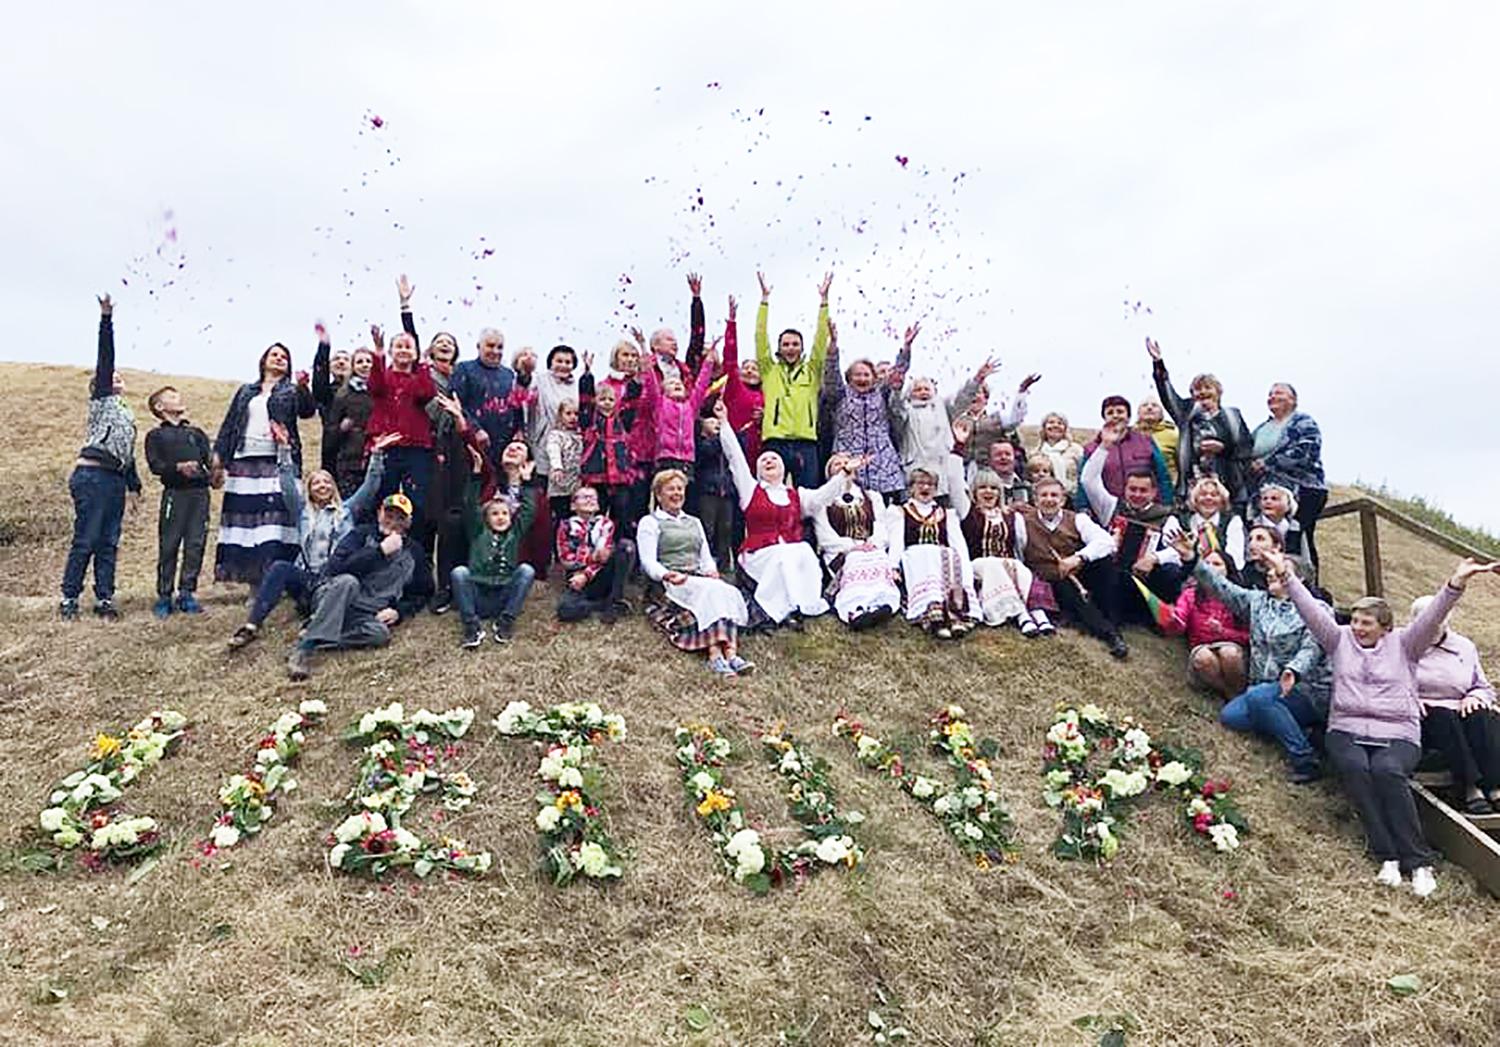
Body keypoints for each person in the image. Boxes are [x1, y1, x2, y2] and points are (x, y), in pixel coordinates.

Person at [1271, 550, 1500, 897]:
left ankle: (1419, 862)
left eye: (1367, 623)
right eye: (1356, 621)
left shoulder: (1407, 645)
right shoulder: (1338, 640)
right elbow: (1311, 610)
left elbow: (1434, 614)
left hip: (1397, 732)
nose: (1358, 628)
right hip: (1347, 729)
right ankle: (1388, 855)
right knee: (1358, 770)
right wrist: (1287, 576)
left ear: (1386, 627)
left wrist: (1456, 583)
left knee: (1388, 772)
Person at [1172, 532, 1330, 783]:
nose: (1269, 573)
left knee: (1258, 699)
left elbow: (1313, 648)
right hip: (1264, 688)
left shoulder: (1317, 609)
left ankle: (1305, 759)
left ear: (1298, 579)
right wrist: (1193, 559)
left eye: (1278, 570)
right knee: (1231, 716)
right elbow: (1223, 588)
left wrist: (1294, 670)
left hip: (1304, 689)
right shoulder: (1257, 601)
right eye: (1269, 569)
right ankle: (1293, 726)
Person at [228, 429, 396, 649]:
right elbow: (287, 484)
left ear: (334, 486)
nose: (322, 485)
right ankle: (251, 626)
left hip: (336, 581)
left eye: (326, 481)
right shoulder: (302, 512)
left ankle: (315, 626)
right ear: (309, 491)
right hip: (308, 581)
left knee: (344, 585)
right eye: (316, 483)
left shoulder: (347, 510)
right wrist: (284, 449)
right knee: (280, 567)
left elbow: (371, 486)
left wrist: (376, 454)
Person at [715, 399, 838, 627]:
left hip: (789, 552)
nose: (769, 460)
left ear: (783, 468)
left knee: (803, 551)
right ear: (759, 469)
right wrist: (724, 422)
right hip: (759, 555)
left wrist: (843, 476)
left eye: (774, 459)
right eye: (764, 460)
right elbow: (735, 457)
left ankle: (806, 604)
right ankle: (783, 609)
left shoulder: (796, 495)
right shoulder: (750, 489)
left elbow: (823, 496)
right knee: (784, 556)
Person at [61, 295, 143, 621]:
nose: (117, 376)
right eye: (112, 375)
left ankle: (104, 599)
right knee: (87, 538)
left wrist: (134, 488)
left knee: (109, 540)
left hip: (114, 479)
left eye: (120, 375)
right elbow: (105, 357)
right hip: (92, 476)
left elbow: (128, 452)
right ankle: (69, 597)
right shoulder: (102, 401)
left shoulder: (126, 412)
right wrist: (106, 318)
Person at [212, 338, 316, 586]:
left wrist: (303, 387)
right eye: (274, 355)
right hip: (244, 462)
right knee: (246, 525)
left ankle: (277, 580)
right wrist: (218, 457)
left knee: (275, 524)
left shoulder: (290, 391)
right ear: (263, 361)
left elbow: (307, 411)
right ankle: (253, 583)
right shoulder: (246, 390)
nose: (279, 358)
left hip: (277, 460)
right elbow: (230, 425)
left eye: (284, 356)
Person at [286, 492, 419, 681]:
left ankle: (316, 636)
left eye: (400, 518)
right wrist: (379, 551)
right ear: (379, 512)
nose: (393, 522)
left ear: (408, 523)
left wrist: (399, 612)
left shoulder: (414, 551)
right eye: (389, 515)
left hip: (365, 613)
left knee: (380, 634)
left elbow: (422, 593)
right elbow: (335, 568)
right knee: (348, 581)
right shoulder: (361, 534)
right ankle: (303, 650)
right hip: (334, 596)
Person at [636, 468, 753, 678]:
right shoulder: (650, 522)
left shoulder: (694, 522)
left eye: (680, 489)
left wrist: (711, 572)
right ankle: (716, 655)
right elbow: (648, 562)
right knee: (709, 595)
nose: (676, 493)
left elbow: (705, 556)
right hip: (669, 583)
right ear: (659, 494)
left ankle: (732, 655)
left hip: (696, 578)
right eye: (670, 489)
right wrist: (666, 575)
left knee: (722, 591)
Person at [1080, 424, 1188, 621]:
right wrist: (1104, 446)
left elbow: (1177, 551)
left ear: (1154, 492)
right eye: (1133, 489)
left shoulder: (1166, 517)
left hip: (1147, 578)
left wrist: (1154, 558)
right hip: (1115, 577)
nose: (1137, 495)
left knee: (1171, 572)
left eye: (1143, 490)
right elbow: (1088, 481)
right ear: (1125, 489)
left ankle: (1156, 618)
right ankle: (1112, 620)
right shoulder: (1110, 506)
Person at [1014, 478, 1128, 658]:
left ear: (1063, 499)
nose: (1049, 499)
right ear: (1035, 500)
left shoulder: (1077, 519)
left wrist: (1078, 558)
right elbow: (1018, 555)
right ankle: (1109, 634)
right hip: (1049, 580)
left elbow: (1106, 542)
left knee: (1105, 564)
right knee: (1065, 588)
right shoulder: (1022, 522)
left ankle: (1112, 619)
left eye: (1054, 495)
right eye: (1044, 495)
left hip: (1077, 572)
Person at [1411, 593, 1500, 815]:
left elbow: (1484, 687)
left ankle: (1494, 786)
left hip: (1460, 707)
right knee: (1443, 717)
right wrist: (1409, 699)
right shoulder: (1405, 645)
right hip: (1422, 715)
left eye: (1438, 619)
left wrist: (1475, 696)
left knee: (1481, 715)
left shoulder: (1464, 647)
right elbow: (1389, 683)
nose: (1432, 625)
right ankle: (1471, 788)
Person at [1147, 338, 1252, 509]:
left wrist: (1223, 448)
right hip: (1193, 484)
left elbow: (1246, 447)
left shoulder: (1233, 416)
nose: (1202, 392)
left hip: (1228, 484)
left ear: (1218, 392)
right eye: (1198, 389)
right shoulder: (1185, 412)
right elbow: (1167, 394)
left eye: (1207, 387)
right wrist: (1158, 362)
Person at [949, 461, 1050, 635]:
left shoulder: (1011, 516)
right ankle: (1021, 615)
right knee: (992, 564)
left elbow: (1020, 546)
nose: (989, 492)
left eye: (994, 488)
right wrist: (957, 450)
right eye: (983, 488)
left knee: (1018, 568)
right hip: (978, 565)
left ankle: (1039, 616)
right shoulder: (969, 512)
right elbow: (954, 482)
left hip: (1007, 563)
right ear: (974, 492)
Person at [366, 275, 438, 518]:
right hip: (387, 444)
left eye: (409, 346)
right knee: (382, 495)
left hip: (416, 447)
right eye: (398, 346)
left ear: (416, 353)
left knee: (416, 500)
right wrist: (377, 353)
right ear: (390, 351)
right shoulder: (383, 376)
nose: (404, 350)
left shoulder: (418, 377)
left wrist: (425, 366)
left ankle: (415, 550)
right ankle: (380, 543)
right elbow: (374, 387)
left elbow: (426, 394)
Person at [451, 450, 539, 647]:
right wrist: (475, 474)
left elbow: (529, 510)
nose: (500, 517)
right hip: (478, 595)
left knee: (526, 570)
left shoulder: (515, 532)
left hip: (504, 594)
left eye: (505, 514)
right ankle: (472, 627)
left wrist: (527, 482)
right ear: (486, 518)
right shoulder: (477, 531)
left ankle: (506, 622)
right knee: (459, 572)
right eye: (495, 514)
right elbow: (469, 504)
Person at [755, 270, 833, 489]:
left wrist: (824, 302)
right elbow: (760, 338)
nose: (790, 348)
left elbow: (821, 339)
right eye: (786, 344)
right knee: (770, 494)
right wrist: (764, 301)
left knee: (807, 497)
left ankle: (806, 526)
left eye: (795, 344)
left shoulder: (812, 370)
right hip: (775, 441)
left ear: (801, 347)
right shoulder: (769, 370)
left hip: (805, 443)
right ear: (779, 348)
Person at [143, 385, 213, 618]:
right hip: (175, 494)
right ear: (160, 408)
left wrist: (215, 473)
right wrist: (178, 468)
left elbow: (210, 462)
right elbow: (156, 466)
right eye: (172, 397)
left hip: (200, 495)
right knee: (169, 544)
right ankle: (164, 595)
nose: (179, 398)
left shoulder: (196, 433)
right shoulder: (155, 436)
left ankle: (187, 593)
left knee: (195, 544)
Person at [887, 465, 979, 640]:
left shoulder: (946, 514)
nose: (925, 488)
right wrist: (893, 566)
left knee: (948, 554)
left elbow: (958, 544)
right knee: (926, 554)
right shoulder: (901, 512)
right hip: (915, 557)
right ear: (911, 488)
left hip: (942, 557)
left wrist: (967, 569)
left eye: (931, 484)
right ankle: (931, 610)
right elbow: (897, 542)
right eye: (920, 483)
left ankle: (955, 612)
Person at [811, 452, 901, 629]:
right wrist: (853, 547)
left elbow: (881, 526)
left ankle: (880, 604)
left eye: (847, 462)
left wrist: (873, 543)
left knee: (879, 560)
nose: (844, 466)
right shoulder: (822, 502)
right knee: (855, 561)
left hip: (871, 547)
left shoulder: (872, 497)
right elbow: (825, 537)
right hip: (840, 552)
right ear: (829, 473)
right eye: (837, 464)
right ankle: (854, 610)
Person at [824, 319, 910, 503]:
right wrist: (833, 345)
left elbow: (897, 374)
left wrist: (906, 348)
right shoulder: (840, 394)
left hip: (882, 462)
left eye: (866, 374)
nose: (862, 378)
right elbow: (831, 374)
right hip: (849, 459)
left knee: (887, 510)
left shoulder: (881, 393)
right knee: (851, 507)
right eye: (857, 374)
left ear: (874, 377)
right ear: (849, 377)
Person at [1249, 382, 1328, 570]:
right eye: (1270, 394)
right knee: (1269, 535)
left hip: (1304, 490)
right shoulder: (1262, 428)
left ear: (1293, 400)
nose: (1273, 396)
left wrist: (1267, 464)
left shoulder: (1303, 422)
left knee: (1298, 535)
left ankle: (1307, 583)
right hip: (1268, 490)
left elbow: (1307, 451)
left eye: (1279, 393)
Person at [1160, 549, 1250, 700]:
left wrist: (1223, 632)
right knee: (1204, 658)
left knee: (1229, 653)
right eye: (1206, 563)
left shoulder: (1240, 598)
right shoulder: (1190, 594)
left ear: (1228, 571)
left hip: (1232, 647)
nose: (1210, 567)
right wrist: (1171, 618)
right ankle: (1230, 693)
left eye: (1216, 564)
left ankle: (1237, 693)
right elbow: (1179, 622)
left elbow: (1250, 636)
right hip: (1202, 648)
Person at [1075, 395, 1171, 515]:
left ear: (1128, 417)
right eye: (1110, 413)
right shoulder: (1092, 449)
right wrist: (1083, 509)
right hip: (1110, 511)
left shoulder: (1145, 441)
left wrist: (1167, 505)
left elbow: (1162, 476)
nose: (1115, 416)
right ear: (1104, 418)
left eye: (1120, 411)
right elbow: (1085, 482)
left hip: (1147, 510)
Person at [556, 486, 636, 625]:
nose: (589, 500)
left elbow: (604, 557)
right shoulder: (566, 526)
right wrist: (593, 558)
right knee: (565, 610)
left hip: (598, 574)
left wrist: (587, 572)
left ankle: (615, 599)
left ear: (598, 505)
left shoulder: (606, 524)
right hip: (577, 578)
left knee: (625, 546)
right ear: (573, 505)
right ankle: (602, 605)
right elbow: (567, 559)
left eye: (593, 497)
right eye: (584, 497)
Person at [639, 341, 717, 479]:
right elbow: (650, 380)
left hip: (687, 460)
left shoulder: (691, 406)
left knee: (683, 495)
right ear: (663, 390)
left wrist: (709, 360)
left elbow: (701, 384)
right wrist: (643, 347)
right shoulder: (660, 403)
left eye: (679, 383)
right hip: (665, 458)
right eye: (671, 383)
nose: (676, 384)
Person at [949, 355, 1039, 475]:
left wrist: (1022, 392)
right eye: (973, 394)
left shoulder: (997, 418)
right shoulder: (956, 419)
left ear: (986, 398)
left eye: (979, 393)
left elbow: (1016, 419)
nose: (975, 397)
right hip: (961, 469)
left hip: (989, 470)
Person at [449, 326, 523, 468]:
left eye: (499, 347)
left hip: (503, 445)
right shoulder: (464, 369)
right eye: (490, 346)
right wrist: (475, 429)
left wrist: (518, 430)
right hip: (472, 443)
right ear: (478, 346)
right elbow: (456, 404)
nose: (495, 351)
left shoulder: (509, 375)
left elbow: (516, 405)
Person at [578, 371, 636, 528]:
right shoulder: (591, 419)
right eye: (602, 399)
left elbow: (632, 401)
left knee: (622, 515)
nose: (606, 403)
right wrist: (588, 375)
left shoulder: (622, 421)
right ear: (596, 401)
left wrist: (636, 379)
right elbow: (585, 399)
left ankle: (619, 546)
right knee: (598, 514)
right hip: (597, 475)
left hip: (620, 476)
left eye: (611, 399)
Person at [891, 373, 955, 502]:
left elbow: (963, 399)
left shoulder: (942, 408)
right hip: (916, 468)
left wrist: (976, 381)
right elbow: (896, 409)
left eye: (926, 389)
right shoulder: (907, 411)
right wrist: (897, 391)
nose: (923, 392)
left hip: (941, 469)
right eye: (918, 389)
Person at [718, 295, 765, 463]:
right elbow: (730, 359)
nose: (750, 371)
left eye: (754, 368)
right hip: (736, 448)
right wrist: (731, 324)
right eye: (746, 367)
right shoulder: (735, 387)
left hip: (760, 452)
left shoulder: (767, 395)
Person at [328, 347, 375, 498]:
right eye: (360, 361)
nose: (365, 365)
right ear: (353, 367)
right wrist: (341, 428)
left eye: (369, 361)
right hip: (350, 460)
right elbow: (331, 431)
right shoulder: (343, 394)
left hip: (375, 457)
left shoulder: (381, 393)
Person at [693, 412, 736, 573]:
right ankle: (706, 563)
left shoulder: (727, 443)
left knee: (726, 528)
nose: (716, 424)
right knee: (708, 528)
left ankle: (724, 566)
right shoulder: (702, 443)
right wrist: (720, 438)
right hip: (708, 490)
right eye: (712, 421)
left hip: (726, 491)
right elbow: (705, 453)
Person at [1250, 483, 1314, 583]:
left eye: (1274, 499)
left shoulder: (1296, 530)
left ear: (1288, 506)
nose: (1268, 501)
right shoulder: (1250, 526)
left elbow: (1306, 563)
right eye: (1265, 498)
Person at [310, 325, 350, 475]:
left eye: (346, 359)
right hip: (332, 451)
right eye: (336, 359)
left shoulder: (365, 392)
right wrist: (324, 346)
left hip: (360, 453)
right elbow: (319, 380)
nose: (341, 362)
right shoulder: (327, 393)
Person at [1184, 476, 1246, 571]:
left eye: (1214, 495)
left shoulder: (1233, 521)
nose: (1208, 498)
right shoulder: (1181, 520)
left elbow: (1236, 559)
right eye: (1203, 494)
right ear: (1195, 499)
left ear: (1222, 500)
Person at [544, 396, 584, 531]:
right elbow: (553, 450)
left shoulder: (581, 436)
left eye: (576, 414)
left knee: (576, 521)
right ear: (560, 415)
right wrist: (557, 467)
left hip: (577, 485)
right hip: (559, 486)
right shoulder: (556, 435)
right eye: (568, 413)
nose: (573, 417)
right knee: (560, 521)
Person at [1034, 412, 1084, 496]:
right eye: (1051, 422)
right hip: (1044, 498)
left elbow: (1083, 476)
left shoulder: (1076, 450)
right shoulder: (1036, 452)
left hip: (1071, 497)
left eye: (1060, 423)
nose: (1055, 425)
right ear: (1044, 428)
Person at [1135, 398, 1180, 489]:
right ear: (1138, 413)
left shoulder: (1174, 434)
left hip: (1168, 488)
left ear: (1162, 413)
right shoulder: (1130, 435)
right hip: (1137, 489)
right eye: (1144, 405)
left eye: (1154, 405)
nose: (1149, 408)